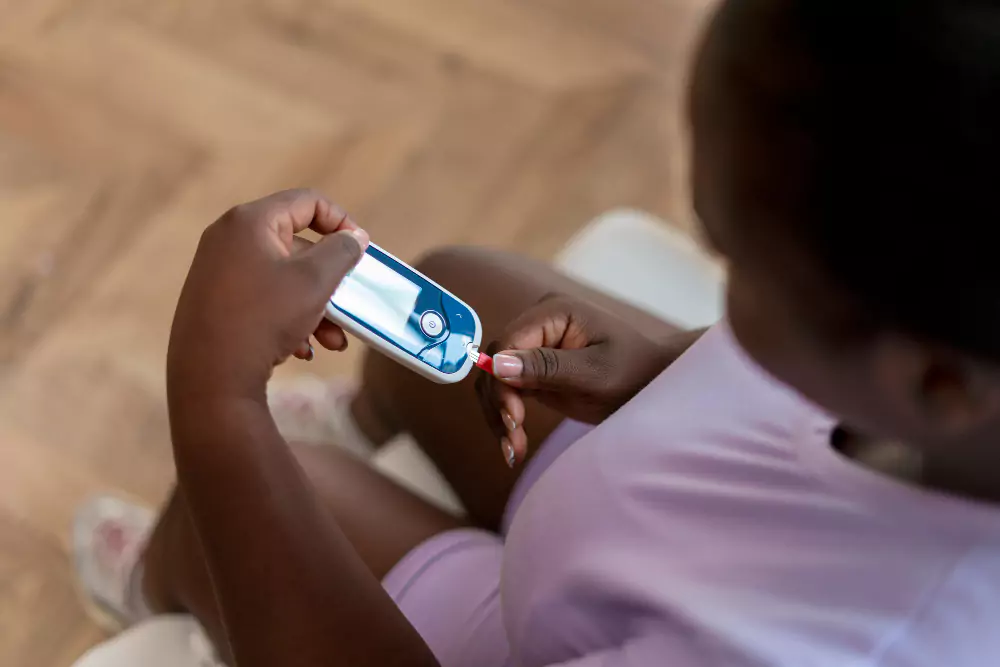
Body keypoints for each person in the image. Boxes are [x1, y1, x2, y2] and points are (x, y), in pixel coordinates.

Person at [71, 0, 1000, 665]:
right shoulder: (962, 383)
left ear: (938, 385)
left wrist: (217, 406)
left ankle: (166, 592)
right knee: (451, 289)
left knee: (229, 507)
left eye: (741, 263)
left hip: (558, 632)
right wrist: (669, 370)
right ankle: (372, 424)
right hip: (677, 531)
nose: (724, 287)